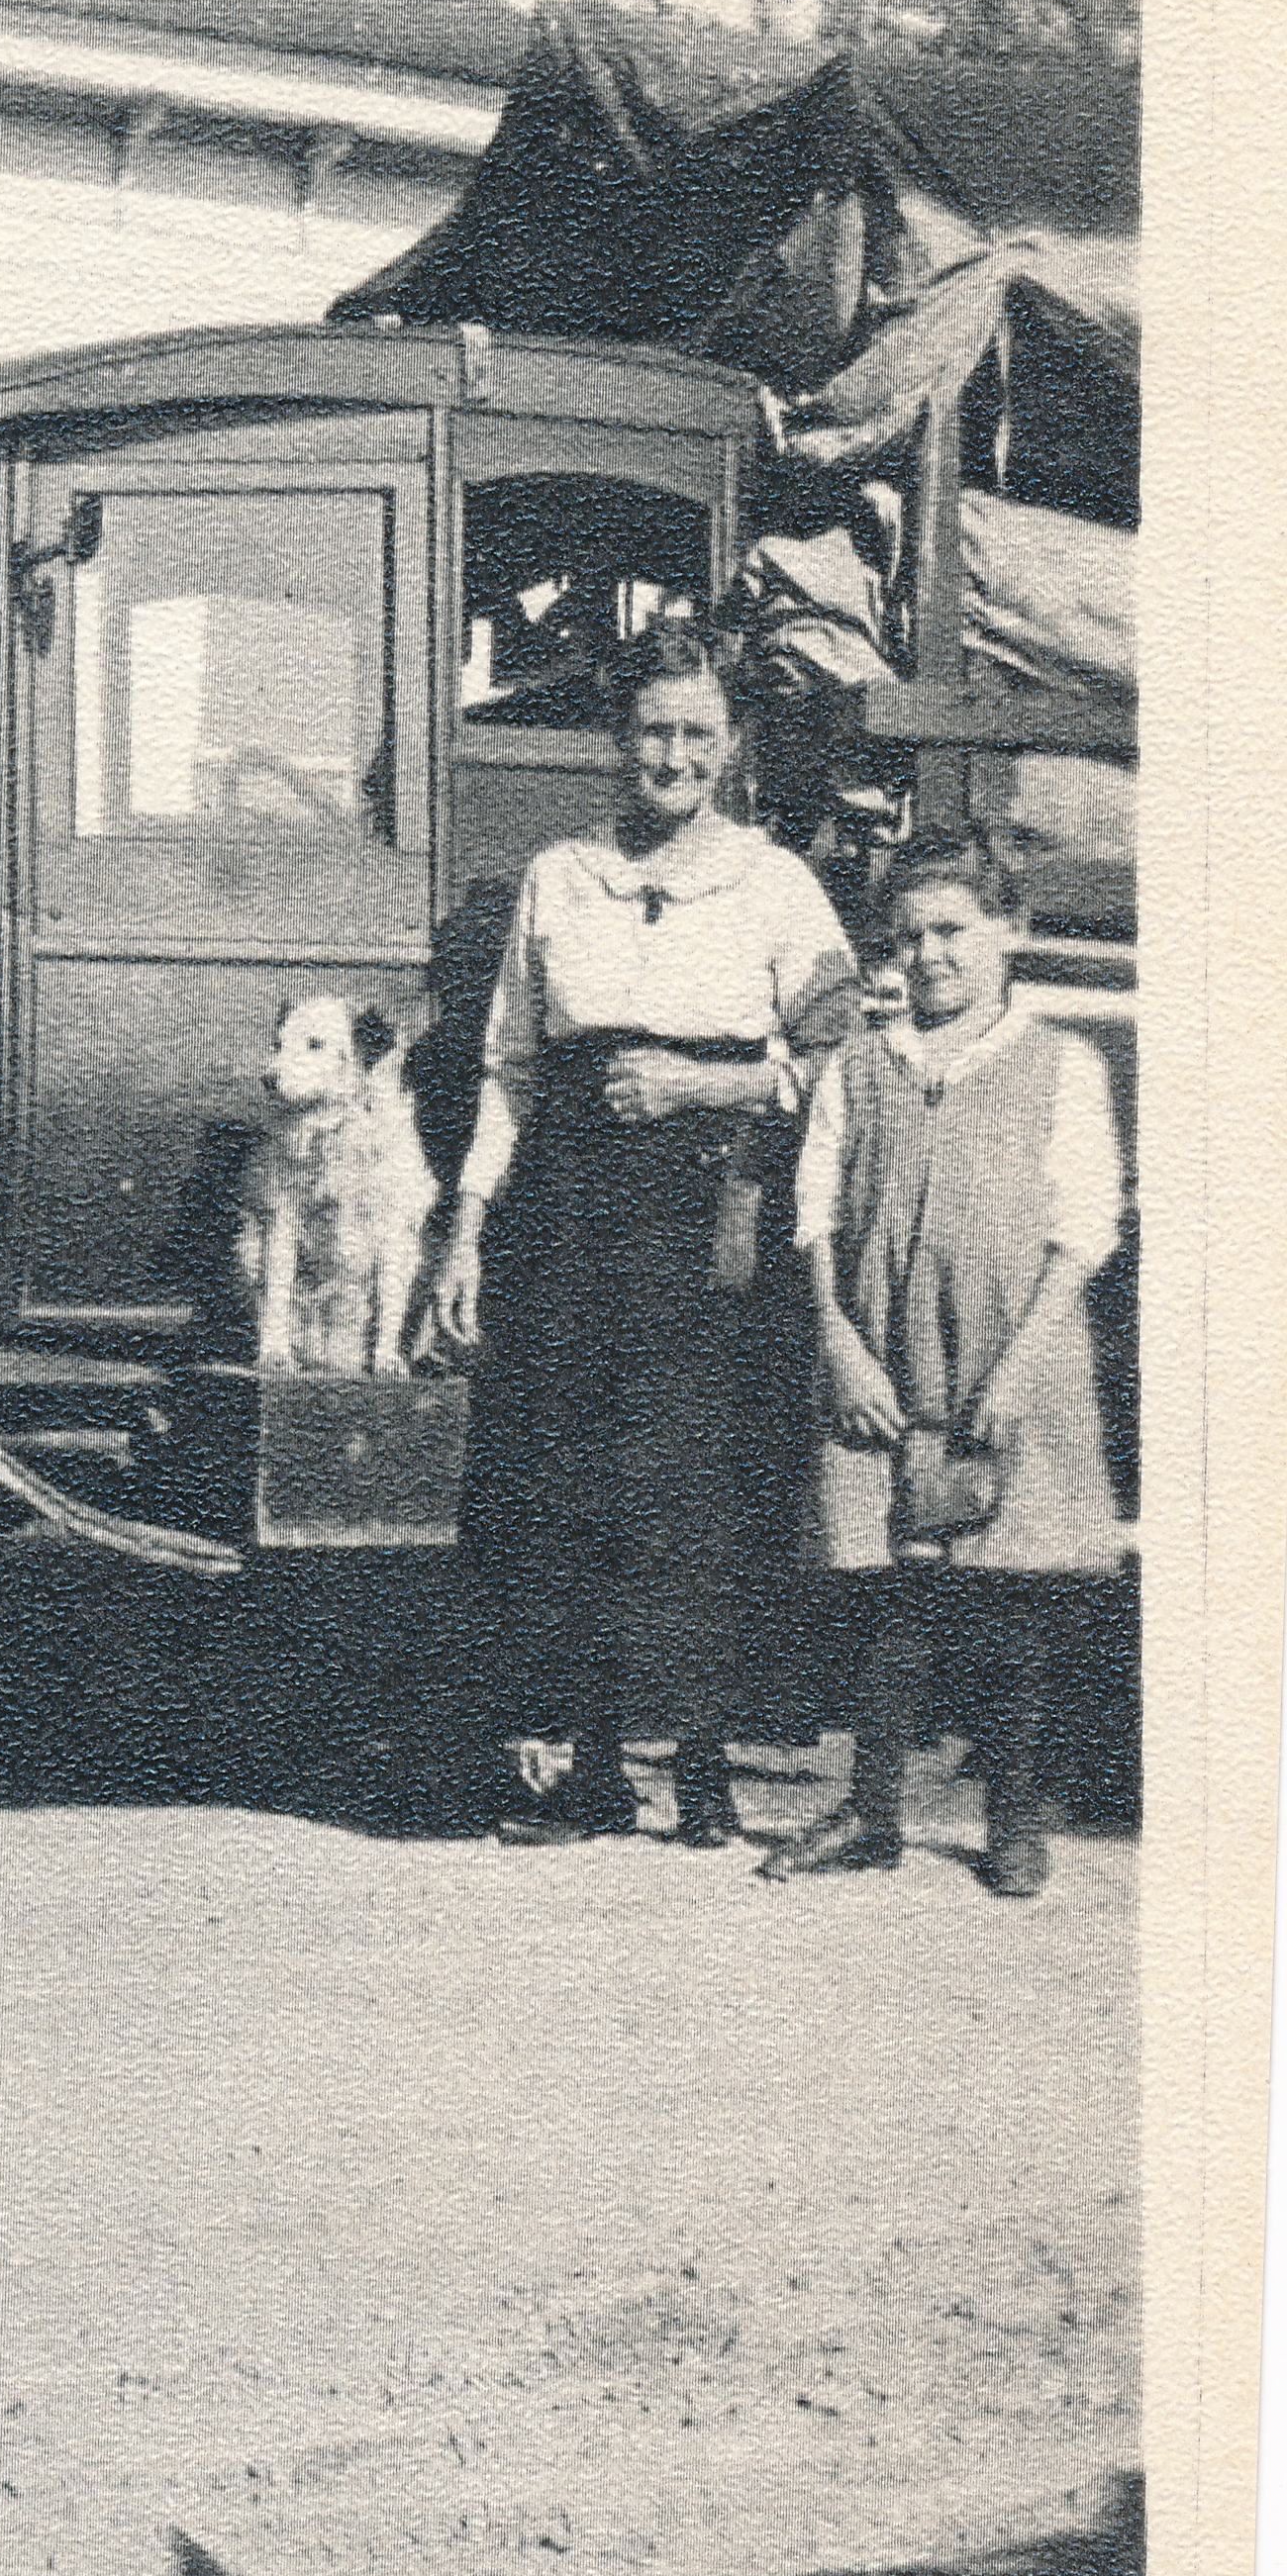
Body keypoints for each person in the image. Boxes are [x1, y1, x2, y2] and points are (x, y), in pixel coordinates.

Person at [435, 620, 859, 1843]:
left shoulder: (775, 881)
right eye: (651, 731)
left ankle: (711, 1767)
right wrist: (466, 1226)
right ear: (617, 742)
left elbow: (838, 1042)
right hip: (569, 1214)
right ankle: (595, 1769)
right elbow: (510, 1065)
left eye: (696, 733)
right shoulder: (558, 876)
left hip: (710, 1213)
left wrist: (705, 1084)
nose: (671, 755)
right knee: (572, 1480)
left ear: (730, 748)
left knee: (699, 1485)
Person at [761, 831, 1125, 1899]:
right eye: (908, 935)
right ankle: (871, 1811)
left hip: (1013, 1352)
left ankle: (1013, 1818)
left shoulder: (1062, 1063)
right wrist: (836, 1338)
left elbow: (1085, 1227)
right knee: (889, 1594)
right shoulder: (860, 1069)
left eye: (953, 930)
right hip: (881, 1351)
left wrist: (1019, 1368)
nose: (928, 955)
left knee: (1012, 1592)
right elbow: (814, 1215)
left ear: (1010, 932)